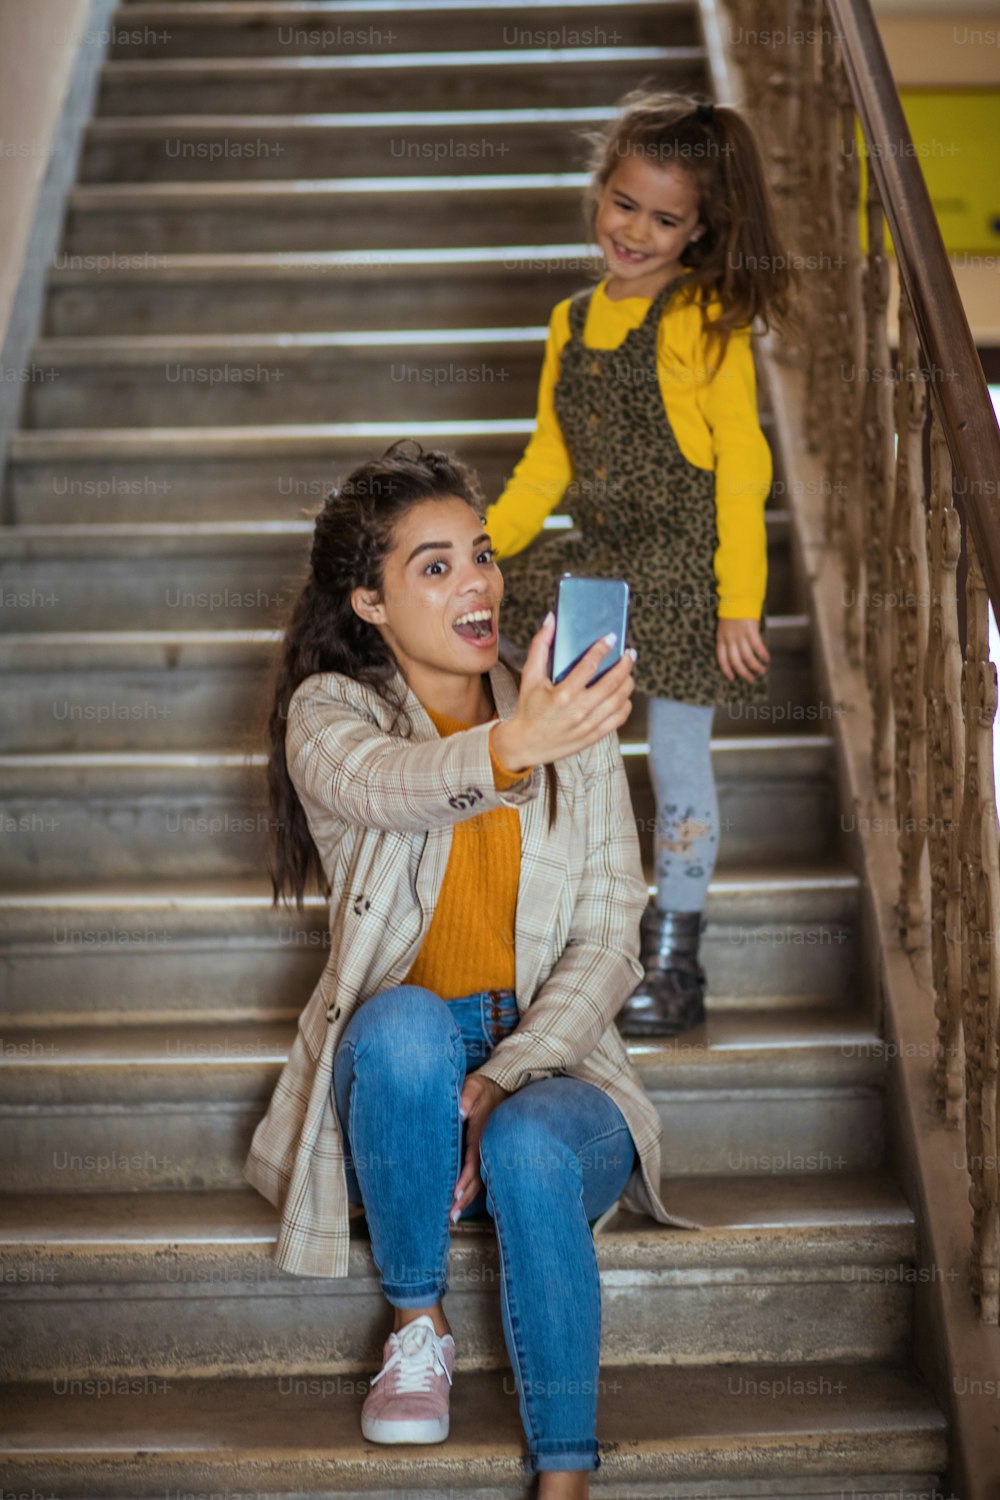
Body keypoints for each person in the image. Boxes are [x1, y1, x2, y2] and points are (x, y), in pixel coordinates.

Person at [244, 441, 699, 1498]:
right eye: (434, 566)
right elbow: (397, 786)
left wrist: (509, 1071)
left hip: (553, 1058)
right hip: (400, 1080)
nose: (479, 583)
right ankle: (415, 1320)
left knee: (537, 1145)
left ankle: (565, 1478)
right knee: (401, 1025)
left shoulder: (561, 714)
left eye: (482, 555)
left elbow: (607, 933)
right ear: (368, 600)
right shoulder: (332, 714)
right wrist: (517, 741)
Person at [485, 91, 797, 1036]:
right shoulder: (570, 321)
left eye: (666, 219)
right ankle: (579, 943)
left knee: (675, 761)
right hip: (602, 567)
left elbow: (743, 468)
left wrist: (740, 604)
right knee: (560, 738)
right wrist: (485, 553)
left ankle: (675, 957)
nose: (637, 231)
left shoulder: (704, 318)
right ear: (601, 191)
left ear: (701, 228)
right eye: (625, 204)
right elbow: (549, 457)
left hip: (690, 573)